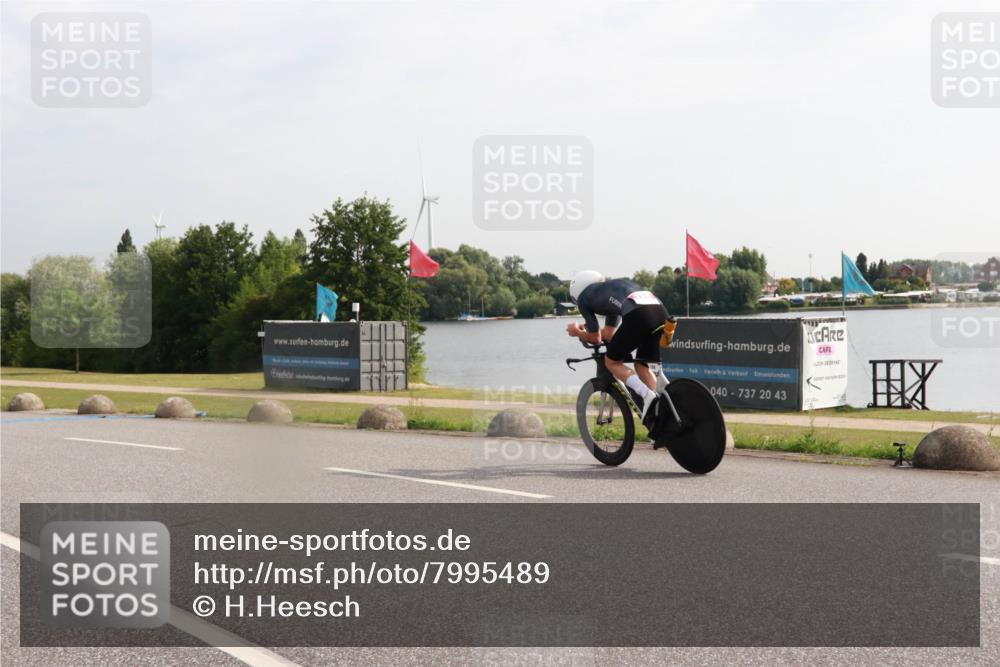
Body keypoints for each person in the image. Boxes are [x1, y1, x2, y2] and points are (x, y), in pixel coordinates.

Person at [566, 270, 670, 422]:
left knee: (612, 362)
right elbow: (608, 333)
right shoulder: (609, 290)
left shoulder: (584, 297)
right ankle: (662, 408)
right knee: (642, 365)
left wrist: (576, 332)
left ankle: (647, 395)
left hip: (638, 314)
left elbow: (595, 339)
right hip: (660, 312)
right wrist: (588, 331)